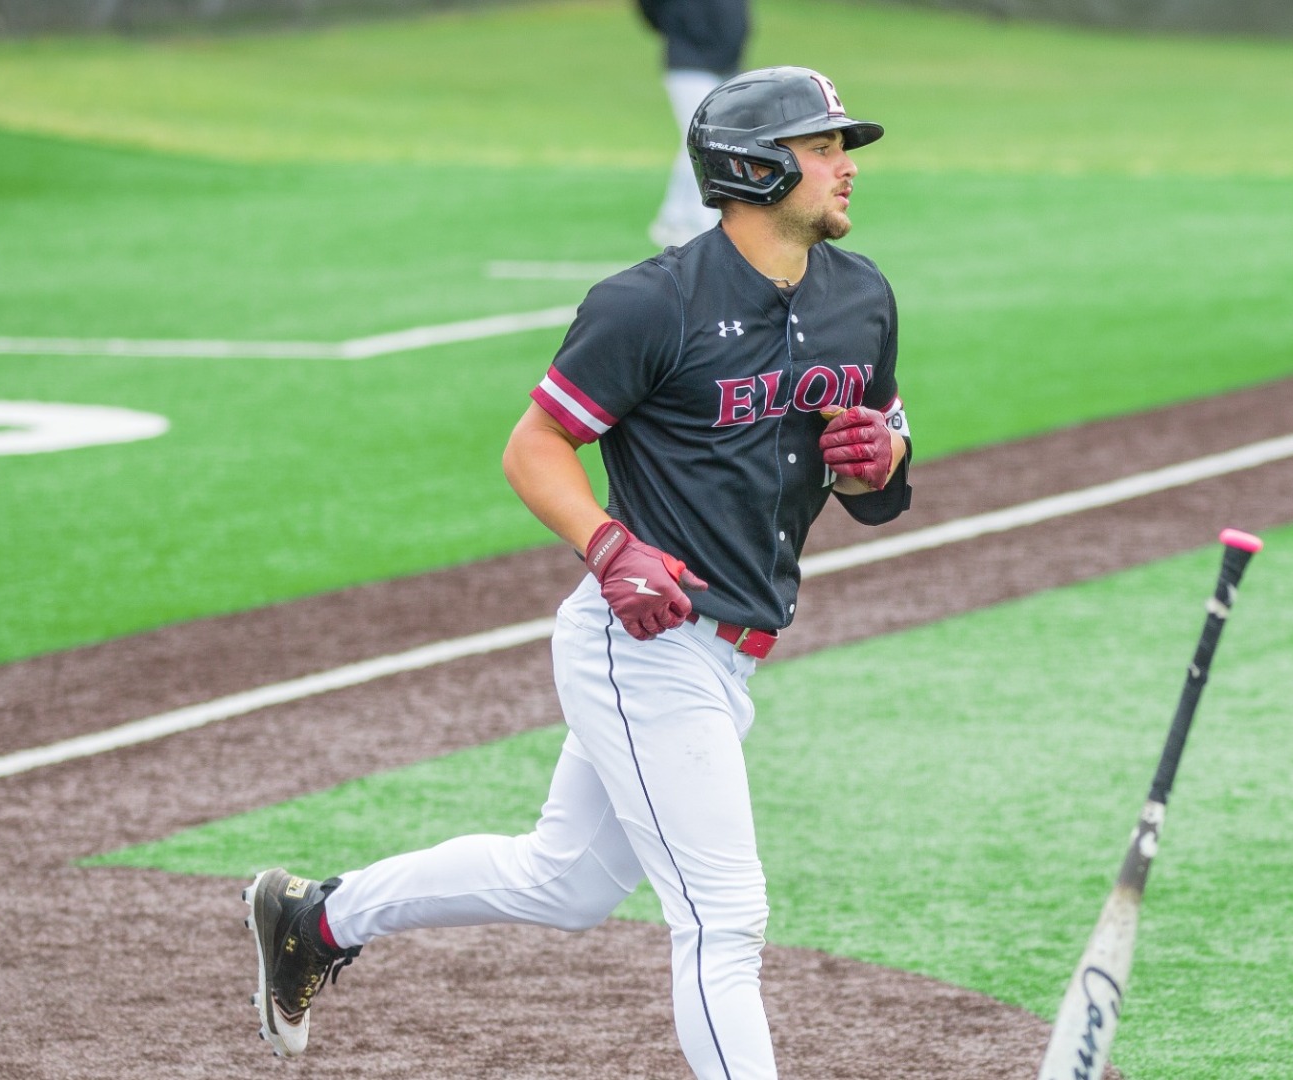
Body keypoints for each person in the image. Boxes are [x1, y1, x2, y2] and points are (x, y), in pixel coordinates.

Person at [242, 67, 911, 1080]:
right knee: (724, 921)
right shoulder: (651, 306)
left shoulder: (861, 300)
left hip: (732, 654)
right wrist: (609, 545)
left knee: (563, 883)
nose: (844, 166)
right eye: (822, 148)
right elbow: (536, 444)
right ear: (754, 167)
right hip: (643, 645)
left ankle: (315, 921)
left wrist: (888, 456)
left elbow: (881, 456)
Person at [639, 0, 750, 247]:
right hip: (688, 61)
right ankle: (705, 222)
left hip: (727, 64)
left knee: (712, 139)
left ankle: (674, 216)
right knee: (705, 140)